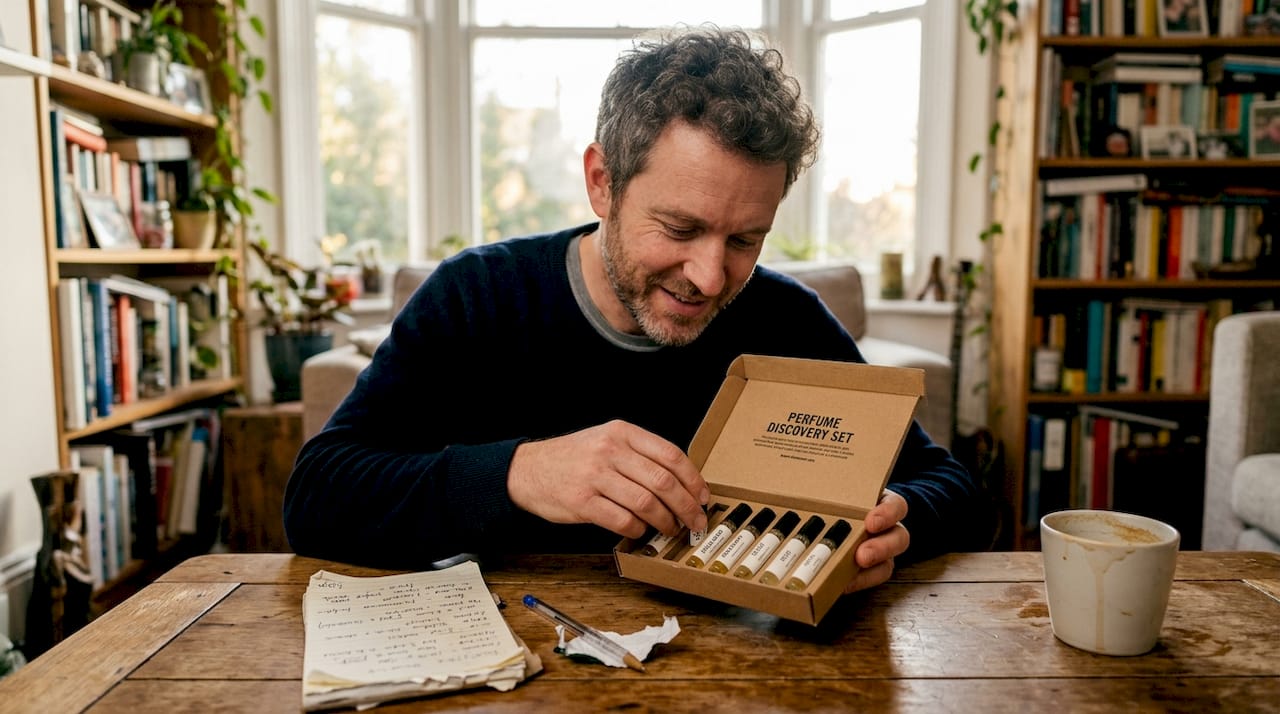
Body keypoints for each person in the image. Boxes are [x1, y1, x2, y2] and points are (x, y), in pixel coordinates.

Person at [284, 27, 985, 594]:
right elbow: (317, 496)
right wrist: (519, 473)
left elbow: (951, 485)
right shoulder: (477, 295)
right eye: (680, 228)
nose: (709, 277)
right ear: (602, 182)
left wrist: (900, 525)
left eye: (745, 239)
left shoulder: (788, 321)